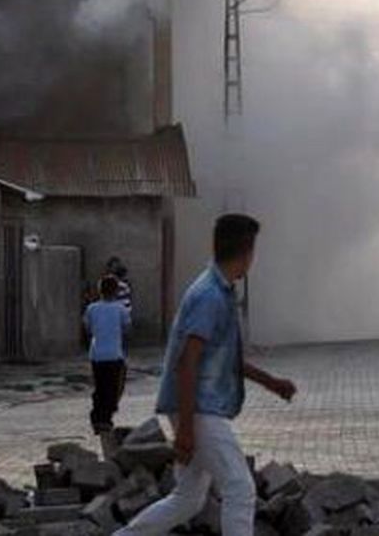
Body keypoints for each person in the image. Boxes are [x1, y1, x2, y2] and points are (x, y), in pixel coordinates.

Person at [114, 214, 296, 536]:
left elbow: (222, 358)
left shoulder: (219, 291)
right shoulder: (209, 296)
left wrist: (271, 383)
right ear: (246, 252)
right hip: (197, 408)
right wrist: (186, 428)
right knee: (240, 488)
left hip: (194, 406)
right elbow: (188, 362)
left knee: (188, 499)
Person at [85, 274, 132, 434]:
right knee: (113, 388)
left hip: (96, 354)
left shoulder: (92, 308)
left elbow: (88, 328)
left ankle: (97, 417)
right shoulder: (121, 309)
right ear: (116, 291)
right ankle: (106, 418)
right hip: (114, 354)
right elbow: (127, 329)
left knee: (100, 387)